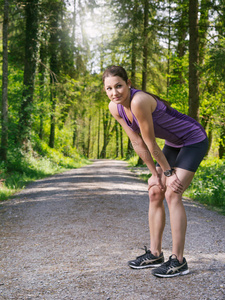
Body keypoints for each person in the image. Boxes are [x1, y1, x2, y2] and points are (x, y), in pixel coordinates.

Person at [102, 65, 208, 278]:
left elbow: (150, 143)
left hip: (193, 139)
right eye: (109, 88)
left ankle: (178, 261)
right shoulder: (115, 108)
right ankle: (155, 253)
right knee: (154, 191)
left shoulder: (139, 101)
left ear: (129, 83)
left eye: (119, 86)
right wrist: (155, 173)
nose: (115, 93)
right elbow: (137, 142)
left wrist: (167, 174)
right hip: (173, 143)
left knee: (172, 192)